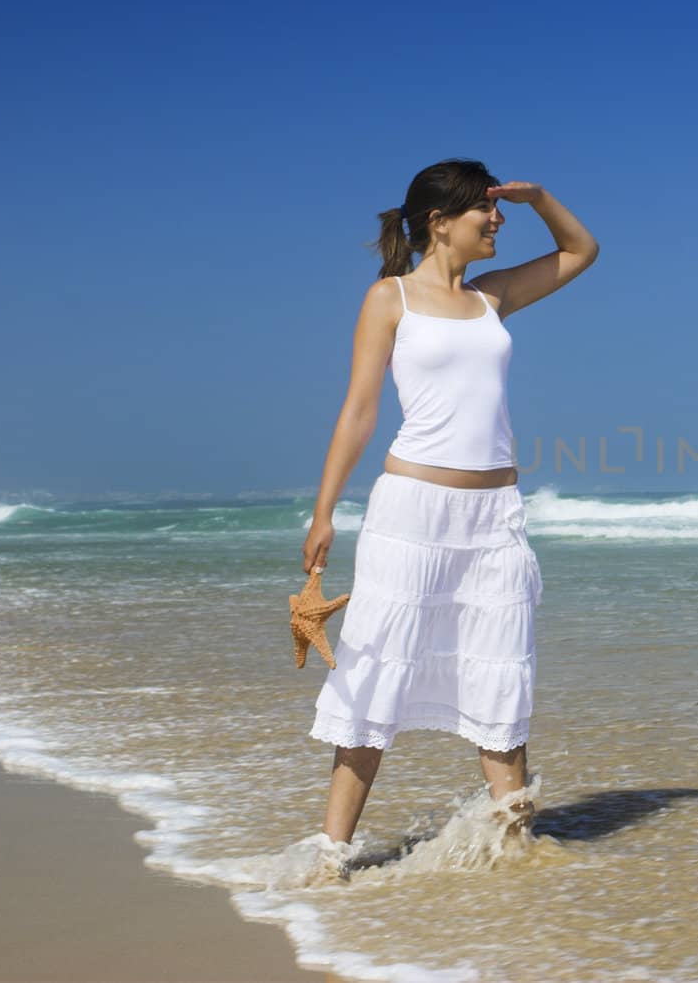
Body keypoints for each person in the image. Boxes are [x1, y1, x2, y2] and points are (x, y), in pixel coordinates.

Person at [297, 158, 598, 865]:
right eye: (484, 212)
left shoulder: (492, 297)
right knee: (376, 667)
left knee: (501, 670)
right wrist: (323, 512)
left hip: (495, 516)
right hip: (412, 513)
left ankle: (515, 843)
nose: (496, 222)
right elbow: (360, 410)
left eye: (499, 213)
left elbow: (579, 251)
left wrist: (540, 197)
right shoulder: (390, 299)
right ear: (439, 223)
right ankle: (330, 853)